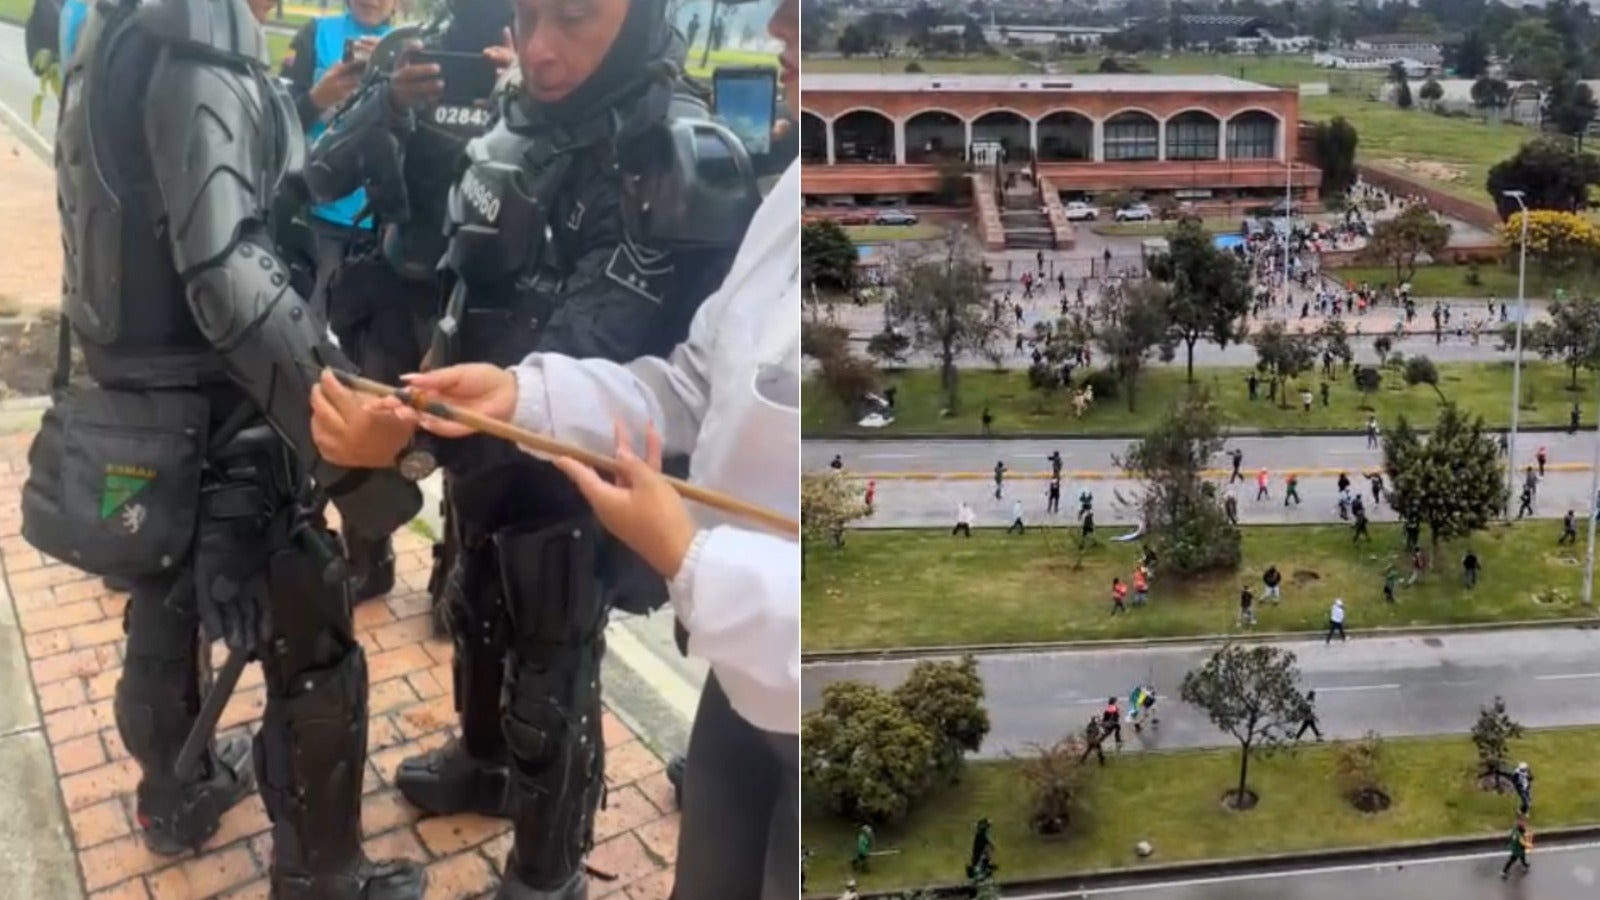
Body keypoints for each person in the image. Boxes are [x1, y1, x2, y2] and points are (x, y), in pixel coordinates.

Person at [311, 0, 767, 894]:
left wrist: (409, 437)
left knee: (549, 671)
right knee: (476, 610)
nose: (542, 50)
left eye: (574, 21)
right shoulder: (522, 116)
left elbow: (598, 340)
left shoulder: (673, 158)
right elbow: (456, 270)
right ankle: (481, 764)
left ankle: (546, 865)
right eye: (528, 18)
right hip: (480, 436)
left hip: (573, 469)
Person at [25, 0, 428, 895]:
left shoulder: (117, 31)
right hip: (225, 413)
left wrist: (348, 113)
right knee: (312, 645)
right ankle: (324, 876)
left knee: (162, 614)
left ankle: (175, 794)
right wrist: (347, 439)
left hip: (140, 406)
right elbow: (227, 267)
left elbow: (218, 206)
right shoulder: (196, 27)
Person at [301, 0, 517, 609]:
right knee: (373, 428)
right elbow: (323, 173)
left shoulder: (543, 64)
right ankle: (368, 556)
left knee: (476, 449)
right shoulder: (406, 51)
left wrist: (525, 97)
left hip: (489, 298)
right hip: (400, 281)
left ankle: (459, 571)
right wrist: (387, 103)